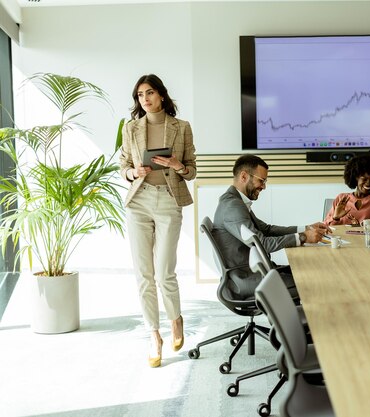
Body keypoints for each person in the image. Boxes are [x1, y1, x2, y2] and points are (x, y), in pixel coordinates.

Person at [119, 74, 197, 368]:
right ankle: (154, 335)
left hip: (168, 199)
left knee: (165, 272)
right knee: (144, 275)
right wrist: (133, 173)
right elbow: (123, 165)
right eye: (140, 95)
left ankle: (175, 319)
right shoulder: (131, 128)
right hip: (138, 201)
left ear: (161, 95)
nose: (145, 99)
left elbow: (192, 170)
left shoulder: (182, 128)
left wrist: (178, 166)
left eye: (150, 93)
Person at [212, 154, 330, 299]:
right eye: (261, 181)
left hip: (252, 273)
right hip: (246, 280)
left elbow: (266, 230)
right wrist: (303, 237)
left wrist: (305, 228)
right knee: (316, 282)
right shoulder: (232, 206)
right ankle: (295, 321)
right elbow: (262, 243)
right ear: (244, 176)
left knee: (309, 271)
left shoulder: (235, 201)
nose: (264, 186)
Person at [324, 154, 370, 225]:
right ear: (355, 177)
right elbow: (326, 228)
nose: (368, 183)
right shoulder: (341, 198)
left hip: (368, 236)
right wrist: (335, 218)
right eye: (364, 179)